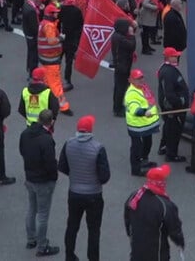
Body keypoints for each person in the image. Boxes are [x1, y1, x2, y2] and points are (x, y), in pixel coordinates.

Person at [59, 115, 111, 261]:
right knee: (94, 230)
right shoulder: (98, 148)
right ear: (90, 130)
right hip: (94, 195)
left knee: (72, 226)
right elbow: (104, 177)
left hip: (74, 192)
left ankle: (69, 255)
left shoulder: (68, 143)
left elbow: (62, 166)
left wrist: (75, 175)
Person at [20, 108, 61, 257]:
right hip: (43, 180)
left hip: (30, 177)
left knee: (32, 209)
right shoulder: (46, 139)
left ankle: (31, 239)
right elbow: (50, 162)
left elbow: (22, 151)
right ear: (51, 122)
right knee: (43, 214)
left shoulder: (25, 134)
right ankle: (42, 246)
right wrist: (54, 177)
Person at [124, 164, 185, 261]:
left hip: (137, 251)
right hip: (157, 254)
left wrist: (131, 234)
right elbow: (175, 229)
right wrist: (180, 243)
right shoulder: (165, 205)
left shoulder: (135, 196)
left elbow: (128, 219)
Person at [124, 69, 161, 176]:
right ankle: (136, 169)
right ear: (131, 80)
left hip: (146, 123)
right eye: (137, 78)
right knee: (136, 147)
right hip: (137, 125)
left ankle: (144, 161)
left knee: (147, 143)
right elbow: (134, 108)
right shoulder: (131, 93)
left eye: (141, 77)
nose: (141, 80)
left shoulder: (143, 88)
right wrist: (144, 112)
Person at [38, 3, 72, 115]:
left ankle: (47, 103)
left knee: (47, 83)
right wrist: (60, 38)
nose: (58, 14)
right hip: (51, 60)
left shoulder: (45, 23)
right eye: (56, 12)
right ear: (50, 14)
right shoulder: (49, 26)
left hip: (45, 59)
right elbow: (51, 41)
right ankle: (63, 107)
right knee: (56, 84)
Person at [157, 47, 189, 162]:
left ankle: (164, 146)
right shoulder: (168, 72)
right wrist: (181, 102)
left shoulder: (166, 69)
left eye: (176, 56)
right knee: (174, 131)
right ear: (167, 58)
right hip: (173, 108)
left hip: (169, 107)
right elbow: (169, 94)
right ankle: (171, 154)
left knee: (168, 127)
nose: (176, 57)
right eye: (174, 56)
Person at [111, 18, 136, 117]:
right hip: (122, 66)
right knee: (121, 88)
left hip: (120, 65)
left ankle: (117, 106)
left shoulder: (117, 36)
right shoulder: (120, 38)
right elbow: (131, 46)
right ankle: (118, 109)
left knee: (119, 87)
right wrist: (132, 35)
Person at [23, 0, 42, 78]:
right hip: (32, 36)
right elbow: (34, 27)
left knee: (30, 53)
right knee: (34, 55)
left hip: (28, 34)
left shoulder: (28, 4)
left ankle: (29, 68)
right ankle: (33, 73)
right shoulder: (31, 10)